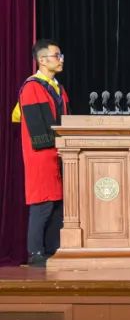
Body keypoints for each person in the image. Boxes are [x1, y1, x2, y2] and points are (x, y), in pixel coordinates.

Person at [12, 39, 69, 267]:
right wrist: (58, 144)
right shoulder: (32, 87)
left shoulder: (58, 88)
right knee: (42, 204)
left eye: (61, 55)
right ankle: (35, 253)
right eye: (57, 55)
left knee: (56, 205)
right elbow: (38, 128)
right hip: (41, 154)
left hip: (59, 154)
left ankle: (53, 249)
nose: (61, 59)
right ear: (42, 60)